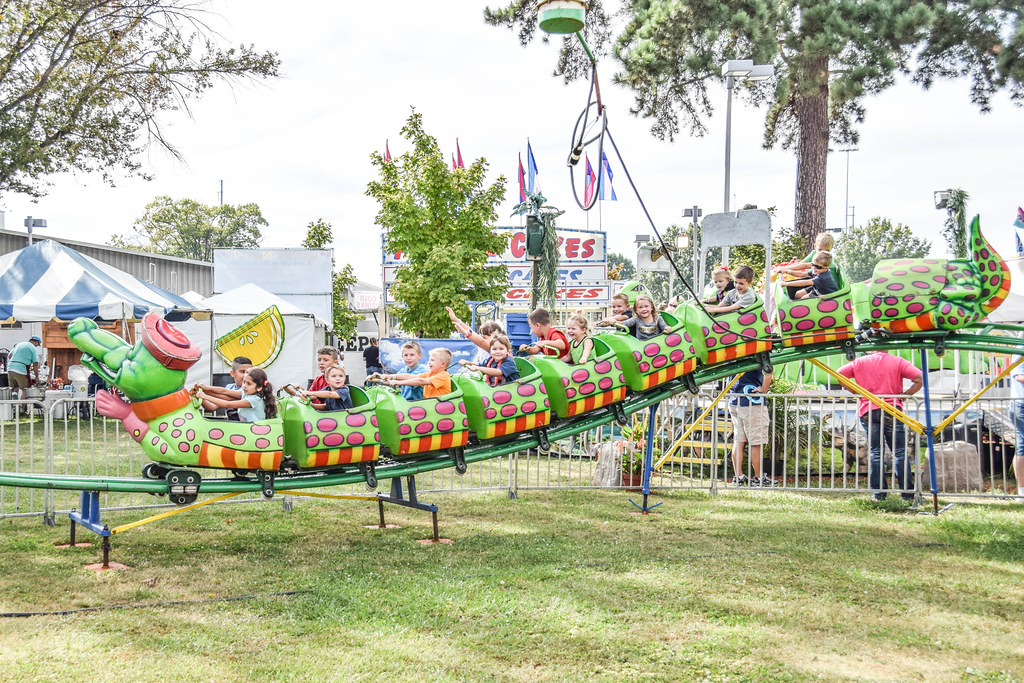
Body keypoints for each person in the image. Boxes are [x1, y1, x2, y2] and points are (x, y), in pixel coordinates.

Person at [837, 351, 923, 501]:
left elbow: (839, 374)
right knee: (900, 452)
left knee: (876, 452)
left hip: (868, 409)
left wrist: (855, 391)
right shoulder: (898, 361)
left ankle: (879, 494)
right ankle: (908, 495)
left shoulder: (859, 362)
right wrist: (905, 394)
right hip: (892, 410)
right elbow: (919, 378)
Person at [728, 367, 777, 487]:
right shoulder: (759, 351)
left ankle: (738, 476)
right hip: (752, 401)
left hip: (735, 399)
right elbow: (768, 372)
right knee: (756, 441)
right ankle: (759, 478)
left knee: (738, 440)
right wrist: (763, 391)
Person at [197, 367, 277, 422]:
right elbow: (225, 392)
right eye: (244, 382)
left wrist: (205, 396)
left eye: (249, 384)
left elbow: (228, 404)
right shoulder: (245, 394)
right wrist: (206, 388)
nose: (244, 386)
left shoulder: (254, 400)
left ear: (259, 387)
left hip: (256, 432)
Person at [195, 356, 252, 421]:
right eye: (242, 372)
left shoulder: (250, 390)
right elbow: (211, 408)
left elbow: (225, 393)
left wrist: (206, 390)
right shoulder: (229, 387)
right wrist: (200, 396)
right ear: (232, 373)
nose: (246, 375)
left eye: (249, 372)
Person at [383, 347, 452, 398]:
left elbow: (421, 381)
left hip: (440, 408)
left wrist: (398, 382)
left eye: (432, 360)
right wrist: (391, 376)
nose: (428, 362)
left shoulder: (444, 375)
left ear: (442, 364)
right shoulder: (431, 374)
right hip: (430, 406)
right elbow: (411, 376)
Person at [7, 335, 41, 401]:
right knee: (26, 390)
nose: (37, 346)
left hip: (10, 368)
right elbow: (35, 364)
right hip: (20, 369)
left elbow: (9, 355)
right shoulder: (33, 348)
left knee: (15, 388)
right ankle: (23, 410)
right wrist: (36, 377)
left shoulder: (19, 344)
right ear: (36, 342)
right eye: (37, 344)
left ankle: (14, 407)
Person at [1011, 357, 1024, 501]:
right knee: (1022, 446)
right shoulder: (1021, 347)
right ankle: (1021, 492)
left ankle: (1021, 493)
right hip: (1021, 404)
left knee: (1022, 446)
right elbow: (1019, 376)